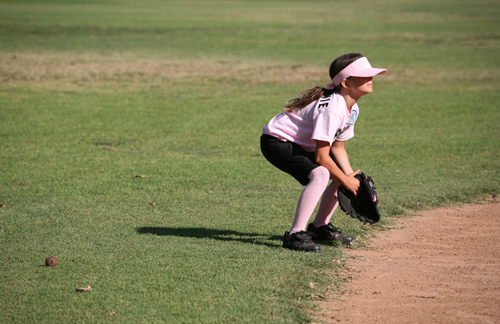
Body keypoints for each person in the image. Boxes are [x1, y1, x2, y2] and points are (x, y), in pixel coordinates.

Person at [260, 53, 387, 252]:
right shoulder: (333, 109)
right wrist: (346, 181)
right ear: (346, 83)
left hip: (299, 144)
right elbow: (321, 157)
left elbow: (338, 147)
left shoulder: (352, 109)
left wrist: (351, 177)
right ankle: (295, 235)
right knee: (321, 173)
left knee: (340, 175)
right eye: (364, 75)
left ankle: (319, 227)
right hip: (277, 141)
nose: (370, 79)